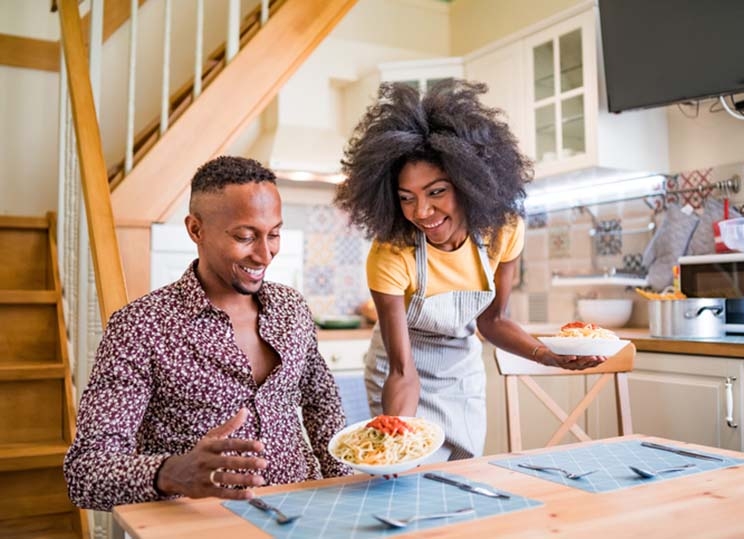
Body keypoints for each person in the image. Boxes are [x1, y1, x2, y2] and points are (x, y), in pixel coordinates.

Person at [333, 79, 605, 461]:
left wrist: (547, 355)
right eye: (407, 198)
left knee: (463, 473)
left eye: (437, 192)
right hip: (401, 374)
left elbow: (493, 322)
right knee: (410, 475)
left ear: (469, 182)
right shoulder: (392, 254)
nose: (422, 212)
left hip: (461, 373)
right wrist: (396, 444)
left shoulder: (502, 231)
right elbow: (401, 369)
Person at [64, 156, 352, 511]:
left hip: (304, 514)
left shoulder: (291, 308)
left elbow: (321, 400)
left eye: (274, 234)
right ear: (195, 230)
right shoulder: (140, 327)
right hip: (199, 523)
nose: (265, 254)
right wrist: (170, 472)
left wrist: (344, 480)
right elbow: (85, 473)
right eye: (245, 236)